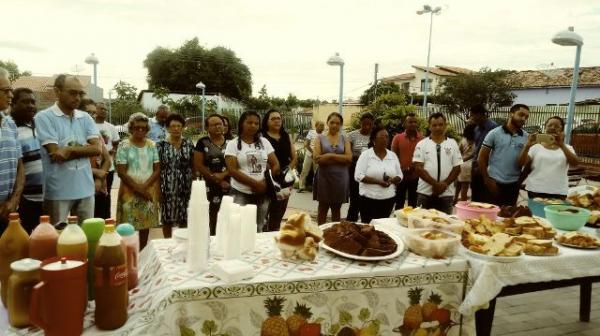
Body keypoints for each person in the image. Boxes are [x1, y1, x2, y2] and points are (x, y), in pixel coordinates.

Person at [35, 75, 101, 225]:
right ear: (57, 91)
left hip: (86, 189)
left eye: (80, 93)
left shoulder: (85, 118)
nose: (77, 97)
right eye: (72, 93)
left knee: (87, 237)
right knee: (58, 240)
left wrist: (69, 150)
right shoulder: (44, 117)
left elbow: (97, 148)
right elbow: (56, 153)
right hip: (58, 191)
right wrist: (84, 149)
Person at [225, 111, 280, 232]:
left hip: (262, 193)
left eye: (256, 123)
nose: (253, 126)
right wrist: (255, 184)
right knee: (237, 227)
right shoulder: (233, 144)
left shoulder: (264, 142)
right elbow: (232, 170)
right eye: (249, 122)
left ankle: (255, 251)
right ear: (241, 124)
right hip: (240, 192)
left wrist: (265, 182)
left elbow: (276, 164)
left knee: (258, 227)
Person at [115, 113, 160, 249]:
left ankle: (142, 253)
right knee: (127, 228)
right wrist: (138, 189)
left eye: (144, 128)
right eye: (137, 127)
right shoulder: (124, 145)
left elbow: (157, 169)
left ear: (147, 130)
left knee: (145, 226)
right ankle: (128, 253)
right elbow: (121, 171)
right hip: (129, 191)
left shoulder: (152, 145)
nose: (140, 130)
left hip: (149, 190)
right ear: (131, 128)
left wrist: (144, 187)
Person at [478, 104, 530, 207]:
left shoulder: (526, 137)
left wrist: (519, 181)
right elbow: (482, 158)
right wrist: (487, 180)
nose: (523, 119)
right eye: (521, 115)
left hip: (513, 185)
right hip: (494, 183)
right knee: (490, 217)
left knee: (508, 219)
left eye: (526, 117)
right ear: (511, 114)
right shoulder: (494, 133)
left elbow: (528, 163)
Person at [518, 116, 579, 199]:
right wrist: (527, 146)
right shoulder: (535, 147)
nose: (553, 128)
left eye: (557, 126)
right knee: (536, 212)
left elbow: (575, 163)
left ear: (562, 130)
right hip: (535, 190)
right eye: (550, 125)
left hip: (559, 191)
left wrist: (561, 145)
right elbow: (521, 163)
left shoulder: (567, 148)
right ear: (545, 127)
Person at [413, 113, 462, 214]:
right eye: (434, 125)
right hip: (425, 193)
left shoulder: (453, 143)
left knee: (445, 225)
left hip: (446, 194)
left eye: (440, 124)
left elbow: (457, 168)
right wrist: (435, 184)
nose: (438, 128)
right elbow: (418, 168)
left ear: (445, 125)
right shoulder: (422, 144)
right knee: (422, 224)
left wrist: (444, 184)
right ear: (429, 126)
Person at [10, 88, 43, 233]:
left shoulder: (43, 126)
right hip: (25, 202)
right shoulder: (10, 130)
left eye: (33, 102)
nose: (30, 105)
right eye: (25, 102)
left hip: (49, 199)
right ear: (13, 104)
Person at [354, 125, 402, 224]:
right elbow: (358, 175)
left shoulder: (392, 155)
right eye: (382, 137)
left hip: (388, 199)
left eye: (387, 137)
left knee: (382, 228)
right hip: (368, 200)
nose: (385, 139)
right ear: (373, 139)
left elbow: (400, 175)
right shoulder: (366, 155)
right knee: (368, 227)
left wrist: (392, 180)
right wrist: (378, 182)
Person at [157, 113, 195, 238]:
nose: (176, 129)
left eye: (179, 126)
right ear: (167, 128)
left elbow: (193, 165)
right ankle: (167, 243)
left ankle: (183, 241)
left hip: (187, 186)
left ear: (183, 127)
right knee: (167, 217)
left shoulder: (189, 144)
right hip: (168, 186)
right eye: (173, 126)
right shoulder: (161, 145)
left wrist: (194, 183)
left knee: (185, 216)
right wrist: (158, 189)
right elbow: (157, 168)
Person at [313, 112, 352, 224]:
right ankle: (320, 235)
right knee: (322, 208)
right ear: (327, 123)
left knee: (336, 210)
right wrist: (340, 158)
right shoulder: (319, 138)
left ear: (341, 125)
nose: (335, 125)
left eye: (338, 123)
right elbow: (317, 159)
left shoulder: (345, 139)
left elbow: (349, 158)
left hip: (340, 179)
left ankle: (335, 235)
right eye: (332, 122)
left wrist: (329, 155)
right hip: (324, 178)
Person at [262, 109, 297, 231]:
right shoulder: (261, 137)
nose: (277, 120)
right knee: (263, 215)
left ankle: (274, 240)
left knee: (278, 215)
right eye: (273, 118)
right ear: (266, 121)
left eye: (279, 118)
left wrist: (287, 170)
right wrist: (271, 171)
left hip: (284, 181)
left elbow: (294, 157)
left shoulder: (286, 136)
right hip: (267, 180)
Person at [194, 114, 230, 235]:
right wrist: (218, 180)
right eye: (214, 125)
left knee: (229, 216)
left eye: (220, 123)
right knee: (212, 215)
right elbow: (199, 164)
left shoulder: (232, 142)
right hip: (210, 186)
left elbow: (237, 164)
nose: (218, 127)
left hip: (231, 185)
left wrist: (224, 175)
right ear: (207, 128)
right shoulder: (202, 142)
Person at [0, 68, 25, 235]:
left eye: (11, 90)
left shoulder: (10, 124)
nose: (11, 95)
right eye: (6, 90)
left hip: (7, 211)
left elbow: (20, 166)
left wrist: (14, 200)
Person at [79, 99, 112, 219]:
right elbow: (70, 162)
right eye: (88, 112)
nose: (92, 116)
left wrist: (98, 180)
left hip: (99, 186)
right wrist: (96, 172)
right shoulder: (73, 135)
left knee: (102, 222)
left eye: (93, 113)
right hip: (80, 187)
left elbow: (107, 159)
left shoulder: (96, 135)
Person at [391, 113, 424, 209]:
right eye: (410, 122)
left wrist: (414, 167)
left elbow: (424, 158)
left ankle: (410, 222)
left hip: (416, 176)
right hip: (401, 176)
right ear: (405, 124)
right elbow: (393, 156)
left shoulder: (422, 139)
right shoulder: (397, 138)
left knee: (413, 204)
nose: (413, 124)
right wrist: (401, 170)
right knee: (399, 203)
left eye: (415, 122)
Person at [346, 113, 374, 221]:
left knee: (367, 201)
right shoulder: (352, 135)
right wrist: (361, 157)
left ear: (373, 125)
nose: (367, 126)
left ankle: (365, 224)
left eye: (369, 124)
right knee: (355, 200)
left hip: (370, 171)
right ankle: (350, 224)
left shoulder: (374, 136)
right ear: (360, 123)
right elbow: (348, 153)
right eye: (364, 124)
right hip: (355, 169)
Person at [469, 104, 498, 202]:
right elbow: (476, 149)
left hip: (487, 170)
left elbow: (494, 150)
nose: (471, 118)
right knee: (475, 200)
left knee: (485, 200)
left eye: (473, 115)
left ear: (480, 114)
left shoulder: (493, 128)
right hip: (475, 169)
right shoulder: (476, 129)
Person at [95, 101, 120, 206]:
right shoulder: (90, 125)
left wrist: (112, 153)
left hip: (108, 168)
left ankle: (106, 220)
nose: (104, 111)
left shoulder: (111, 127)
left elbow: (116, 143)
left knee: (106, 195)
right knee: (94, 196)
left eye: (106, 109)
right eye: (101, 109)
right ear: (95, 110)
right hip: (93, 167)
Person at [298, 121, 325, 192]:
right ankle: (301, 186)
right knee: (304, 170)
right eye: (321, 125)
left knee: (317, 172)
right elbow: (306, 144)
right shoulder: (311, 132)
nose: (322, 127)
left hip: (318, 156)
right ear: (316, 126)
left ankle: (315, 187)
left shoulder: (324, 134)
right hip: (309, 154)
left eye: (323, 126)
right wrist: (313, 153)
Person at [456, 123, 476, 202]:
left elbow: (459, 152)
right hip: (471, 165)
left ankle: (456, 199)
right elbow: (475, 154)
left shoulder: (463, 140)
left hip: (462, 164)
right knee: (467, 187)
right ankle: (464, 204)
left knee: (461, 185)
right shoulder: (476, 141)